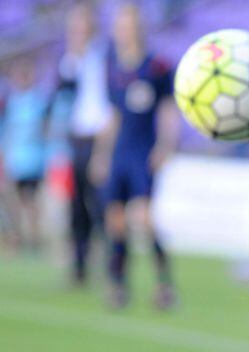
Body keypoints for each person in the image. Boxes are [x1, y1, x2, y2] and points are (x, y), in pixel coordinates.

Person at [91, 2, 179, 309]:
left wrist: (165, 146)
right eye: (120, 26)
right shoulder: (112, 66)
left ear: (139, 29)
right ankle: (118, 286)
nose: (124, 32)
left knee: (142, 217)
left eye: (129, 26)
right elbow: (113, 115)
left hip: (143, 152)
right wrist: (101, 154)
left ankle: (165, 284)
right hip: (119, 153)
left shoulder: (157, 67)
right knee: (115, 221)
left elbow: (168, 110)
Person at [56, 2, 112, 285]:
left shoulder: (104, 54)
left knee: (101, 204)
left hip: (98, 136)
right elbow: (64, 94)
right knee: (77, 206)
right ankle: (79, 264)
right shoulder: (71, 59)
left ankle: (112, 266)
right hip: (76, 138)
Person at [0, 57, 50, 252]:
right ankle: (18, 238)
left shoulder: (39, 101)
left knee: (31, 201)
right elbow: (6, 132)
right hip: (15, 161)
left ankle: (34, 239)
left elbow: (45, 128)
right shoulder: (10, 103)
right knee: (16, 202)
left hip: (34, 160)